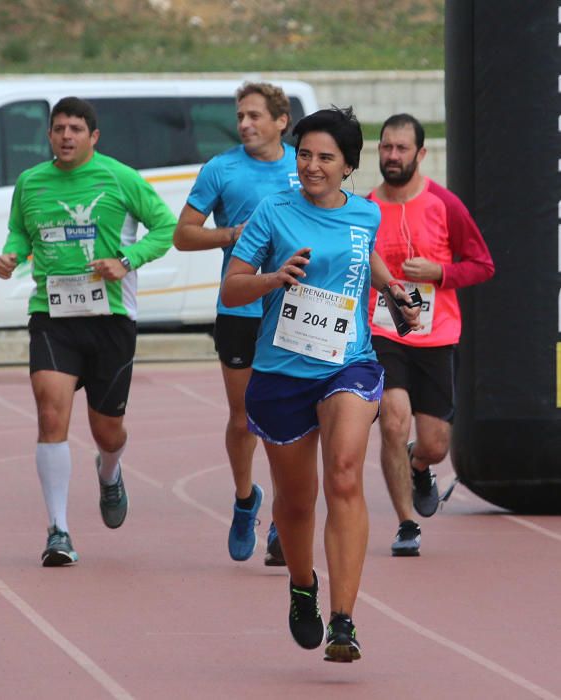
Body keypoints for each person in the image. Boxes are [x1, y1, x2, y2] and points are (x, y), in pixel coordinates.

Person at [221, 107, 419, 662]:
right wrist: (274, 276)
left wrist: (394, 289)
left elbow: (364, 258)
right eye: (304, 154)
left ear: (348, 166)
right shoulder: (272, 212)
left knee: (344, 473)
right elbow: (233, 289)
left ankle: (344, 619)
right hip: (282, 371)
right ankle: (303, 584)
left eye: (325, 157)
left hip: (346, 363)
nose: (311, 165)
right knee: (296, 500)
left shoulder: (365, 214)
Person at [0, 97, 175, 567]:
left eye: (76, 128)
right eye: (59, 128)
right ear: (49, 135)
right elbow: (19, 231)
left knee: (107, 431)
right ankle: (58, 530)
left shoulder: (120, 178)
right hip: (52, 316)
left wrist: (126, 261)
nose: (66, 136)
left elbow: (166, 227)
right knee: (50, 414)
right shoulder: (31, 183)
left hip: (111, 319)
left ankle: (110, 470)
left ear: (93, 137)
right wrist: (10, 254)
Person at [174, 81, 299, 566]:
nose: (244, 124)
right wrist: (231, 234)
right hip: (240, 308)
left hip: (290, 309)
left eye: (254, 116)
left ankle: (285, 522)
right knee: (244, 419)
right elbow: (183, 235)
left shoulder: (302, 166)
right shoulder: (221, 169)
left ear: (280, 121)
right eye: (240, 116)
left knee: (286, 420)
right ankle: (246, 499)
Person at [367, 114, 494, 556]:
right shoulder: (364, 208)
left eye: (402, 149)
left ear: (421, 154)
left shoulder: (444, 204)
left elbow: (483, 264)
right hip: (382, 332)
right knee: (393, 419)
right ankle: (406, 524)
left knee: (436, 443)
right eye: (386, 147)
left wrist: (440, 271)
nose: (393, 156)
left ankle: (420, 464)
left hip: (436, 335)